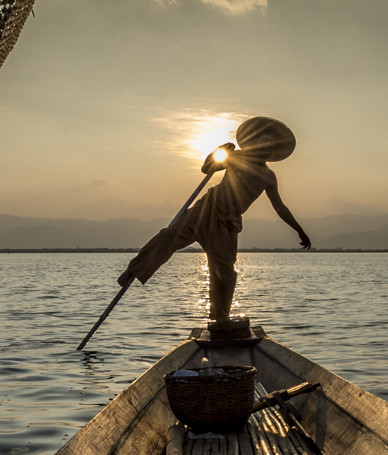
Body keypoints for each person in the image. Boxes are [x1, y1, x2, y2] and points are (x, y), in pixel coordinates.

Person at [119, 116, 311, 324]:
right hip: (206, 211)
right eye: (264, 140)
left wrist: (299, 230)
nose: (268, 144)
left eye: (272, 143)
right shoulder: (238, 157)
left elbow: (280, 207)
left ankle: (220, 318)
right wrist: (218, 152)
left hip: (227, 224)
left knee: (225, 273)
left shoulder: (268, 176)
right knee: (170, 236)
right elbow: (207, 168)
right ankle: (135, 268)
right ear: (255, 141)